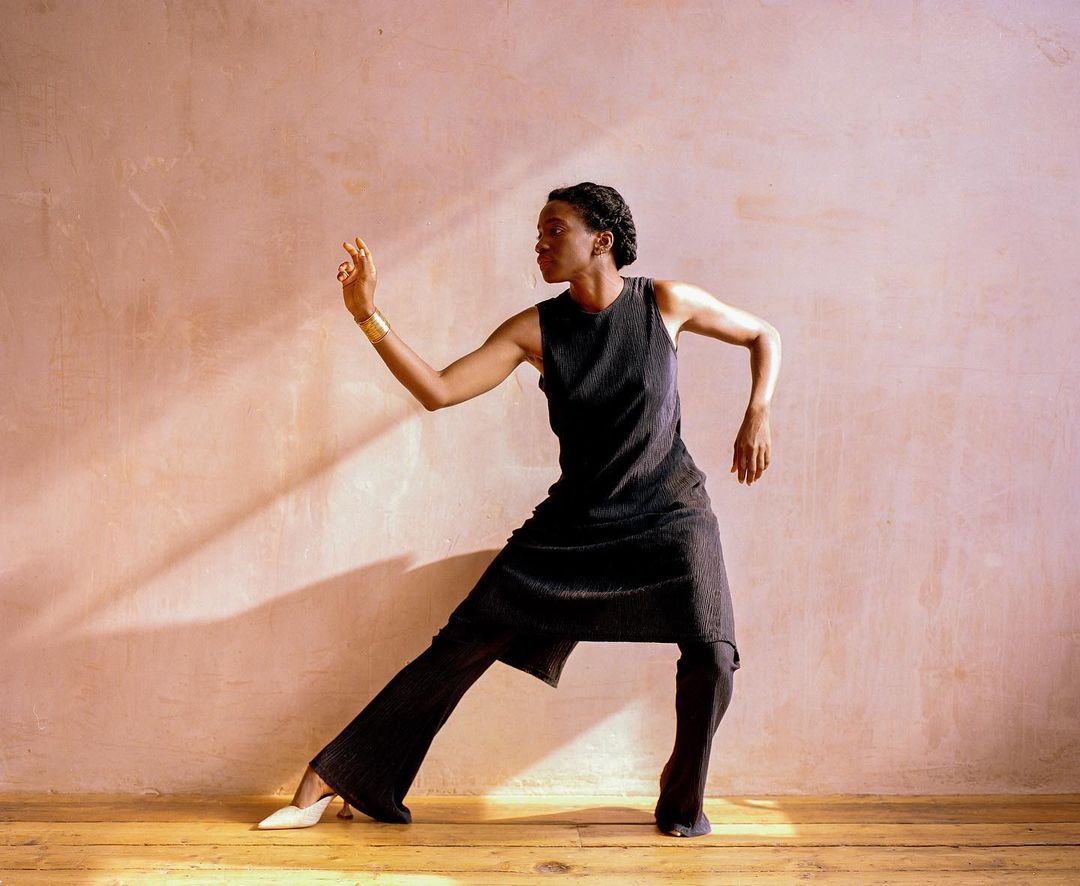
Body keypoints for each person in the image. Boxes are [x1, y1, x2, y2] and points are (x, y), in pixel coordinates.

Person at [257, 182, 781, 838]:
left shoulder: (665, 302)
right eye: (537, 235)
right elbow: (439, 390)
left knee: (713, 656)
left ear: (602, 240)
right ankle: (338, 774)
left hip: (672, 514)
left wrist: (758, 410)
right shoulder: (535, 329)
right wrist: (368, 315)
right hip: (575, 526)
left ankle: (680, 801)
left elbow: (763, 335)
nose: (539, 245)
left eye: (554, 230)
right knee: (463, 643)